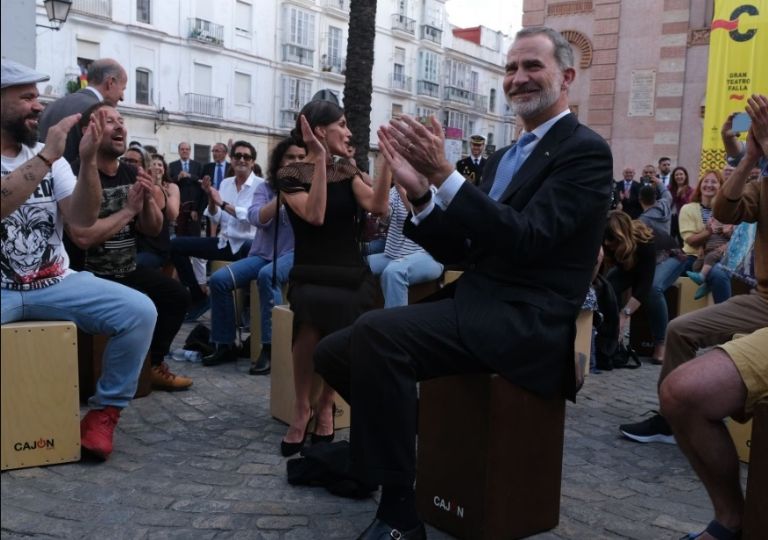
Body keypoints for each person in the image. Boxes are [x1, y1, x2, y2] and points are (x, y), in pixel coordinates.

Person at [313, 26, 613, 539]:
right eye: (511, 68)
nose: (518, 79)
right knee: (334, 353)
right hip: (479, 301)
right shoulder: (503, 157)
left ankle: (400, 513)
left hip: (527, 321)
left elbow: (527, 239)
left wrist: (446, 176)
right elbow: (466, 251)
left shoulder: (585, 152)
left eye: (531, 67)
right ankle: (416, 446)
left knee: (376, 336)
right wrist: (423, 197)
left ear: (566, 77)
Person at [1, 59, 156, 460]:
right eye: (26, 98)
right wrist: (47, 159)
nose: (38, 106)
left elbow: (82, 220)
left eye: (38, 97)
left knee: (139, 312)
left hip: (54, 281)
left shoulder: (51, 159)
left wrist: (86, 161)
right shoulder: (46, 157)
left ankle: (103, 415)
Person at [640, 94, 768, 540]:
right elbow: (728, 212)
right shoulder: (761, 172)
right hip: (763, 298)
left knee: (695, 383)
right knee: (680, 328)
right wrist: (751, 155)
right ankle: (668, 421)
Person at [277, 99, 391, 458]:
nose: (349, 131)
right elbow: (315, 214)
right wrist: (320, 161)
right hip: (311, 271)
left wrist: (387, 162)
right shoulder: (291, 176)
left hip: (350, 271)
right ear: (320, 130)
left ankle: (326, 404)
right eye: (341, 124)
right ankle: (301, 407)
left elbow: (378, 205)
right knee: (309, 327)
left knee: (343, 332)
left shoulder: (349, 172)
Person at [65, 103, 192, 392]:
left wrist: (146, 200)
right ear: (88, 131)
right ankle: (102, 376)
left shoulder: (131, 172)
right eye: (109, 121)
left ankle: (153, 365)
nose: (120, 126)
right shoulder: (73, 174)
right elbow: (82, 236)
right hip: (86, 276)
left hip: (127, 268)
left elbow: (153, 228)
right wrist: (127, 210)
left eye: (121, 120)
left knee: (176, 295)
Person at [202, 138, 305, 372]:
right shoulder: (266, 189)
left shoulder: (311, 189)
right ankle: (225, 343)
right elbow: (257, 218)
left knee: (267, 276)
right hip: (263, 252)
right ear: (279, 161)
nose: (296, 162)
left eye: (301, 158)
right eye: (290, 157)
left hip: (296, 254)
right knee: (218, 280)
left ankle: (270, 348)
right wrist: (282, 194)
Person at [171, 141, 262, 321]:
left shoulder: (262, 185)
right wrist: (211, 199)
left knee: (248, 247)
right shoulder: (227, 183)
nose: (242, 160)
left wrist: (221, 203)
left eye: (246, 157)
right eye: (237, 156)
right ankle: (198, 296)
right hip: (225, 242)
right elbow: (216, 217)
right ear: (232, 159)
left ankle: (245, 309)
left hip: (250, 246)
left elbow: (251, 216)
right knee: (175, 244)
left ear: (252, 162)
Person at [368, 176, 444, 308]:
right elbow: (384, 220)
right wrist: (382, 209)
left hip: (429, 255)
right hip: (396, 254)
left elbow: (419, 216)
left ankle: (394, 326)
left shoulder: (430, 190)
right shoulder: (393, 192)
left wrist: (401, 189)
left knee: (394, 272)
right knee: (358, 264)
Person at [37, 58, 127, 163]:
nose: (122, 97)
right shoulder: (98, 112)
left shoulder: (51, 106)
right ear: (110, 83)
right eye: (123, 89)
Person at [678, 170, 733, 302]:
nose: (709, 185)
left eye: (714, 182)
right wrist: (708, 231)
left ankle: (725, 315)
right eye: (706, 181)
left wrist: (727, 245)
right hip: (695, 257)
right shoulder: (688, 209)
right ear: (700, 185)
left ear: (721, 186)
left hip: (721, 256)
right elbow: (690, 240)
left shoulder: (728, 209)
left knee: (718, 274)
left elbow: (737, 235)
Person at [136, 153, 179, 270]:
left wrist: (161, 190)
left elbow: (173, 215)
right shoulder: (140, 185)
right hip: (141, 242)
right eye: (153, 164)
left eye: (160, 165)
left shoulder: (172, 187)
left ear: (164, 170)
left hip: (163, 240)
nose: (156, 167)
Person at [669, 165, 693, 243]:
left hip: (683, 219)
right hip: (670, 218)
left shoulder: (690, 190)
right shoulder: (669, 188)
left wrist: (682, 196)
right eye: (677, 175)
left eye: (681, 174)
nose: (679, 176)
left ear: (685, 176)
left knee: (682, 241)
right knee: (668, 241)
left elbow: (689, 205)